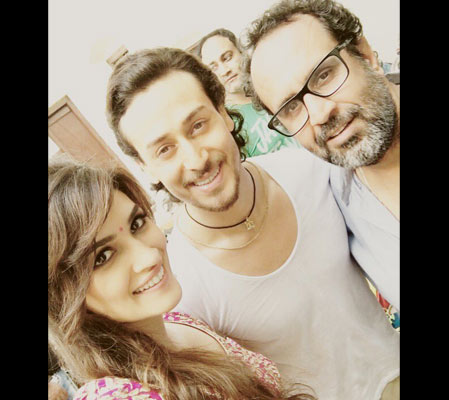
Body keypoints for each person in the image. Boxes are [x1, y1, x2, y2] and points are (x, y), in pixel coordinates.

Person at [106, 47, 400, 400]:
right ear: (145, 167)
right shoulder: (182, 287)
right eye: (164, 150)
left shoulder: (309, 171)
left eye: (198, 126)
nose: (196, 160)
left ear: (224, 113)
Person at [48, 156, 316, 400]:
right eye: (103, 257)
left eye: (137, 224)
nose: (149, 257)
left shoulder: (177, 321)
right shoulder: (115, 395)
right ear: (62, 296)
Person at [242, 0, 401, 314]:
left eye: (324, 75)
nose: (319, 114)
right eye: (291, 107)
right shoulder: (333, 201)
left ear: (365, 55)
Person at [194, 28, 301, 157]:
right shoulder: (228, 123)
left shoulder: (271, 86)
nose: (224, 71)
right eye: (214, 68)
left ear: (241, 53)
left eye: (227, 58)